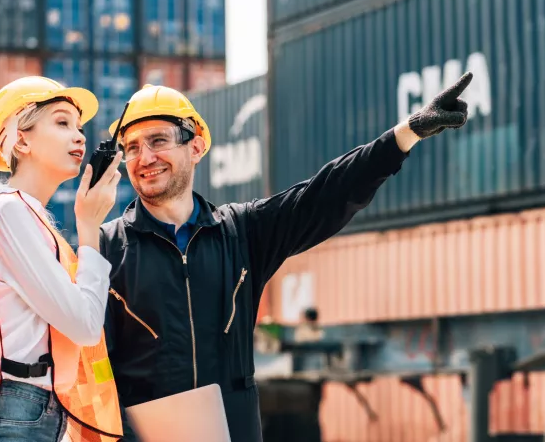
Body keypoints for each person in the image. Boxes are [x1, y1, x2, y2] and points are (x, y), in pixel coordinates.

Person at [100, 73, 474, 441]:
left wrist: (406, 134)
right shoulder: (106, 250)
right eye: (131, 147)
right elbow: (92, 376)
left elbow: (325, 195)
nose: (144, 157)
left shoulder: (241, 233)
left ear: (195, 147)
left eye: (157, 141)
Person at [0, 76, 124, 442]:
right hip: (13, 411)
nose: (79, 136)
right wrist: (89, 225)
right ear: (21, 138)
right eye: (62, 122)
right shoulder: (9, 212)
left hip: (21, 410)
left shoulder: (13, 214)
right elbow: (83, 324)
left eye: (79, 127)